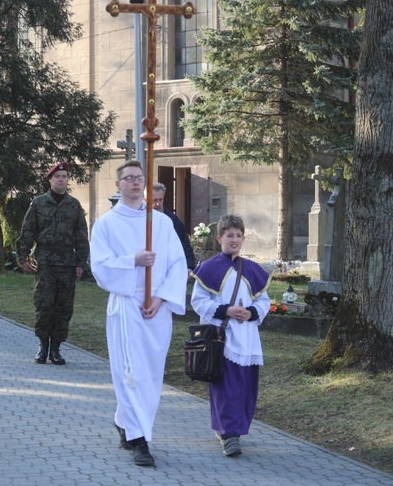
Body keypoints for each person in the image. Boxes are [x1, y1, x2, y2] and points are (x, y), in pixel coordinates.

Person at [90, 160, 187, 467]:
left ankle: (124, 420)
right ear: (117, 185)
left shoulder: (160, 222)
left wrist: (160, 297)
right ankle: (138, 439)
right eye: (128, 178)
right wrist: (133, 260)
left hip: (157, 307)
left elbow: (177, 264)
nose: (134, 182)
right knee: (130, 373)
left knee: (151, 374)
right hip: (127, 305)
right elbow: (100, 267)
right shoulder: (106, 224)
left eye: (139, 178)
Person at [189, 214, 270, 457]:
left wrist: (253, 312)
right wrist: (227, 310)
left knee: (245, 387)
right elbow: (198, 302)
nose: (234, 240)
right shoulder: (209, 268)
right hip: (222, 338)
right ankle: (229, 435)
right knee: (227, 387)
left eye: (238, 235)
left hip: (248, 337)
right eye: (229, 235)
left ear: (244, 238)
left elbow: (264, 300)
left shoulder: (253, 270)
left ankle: (235, 429)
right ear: (219, 238)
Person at [16, 162, 90, 365]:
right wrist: (22, 257)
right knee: (44, 304)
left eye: (64, 176)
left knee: (64, 307)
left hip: (67, 261)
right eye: (57, 176)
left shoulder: (74, 205)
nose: (61, 180)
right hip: (45, 261)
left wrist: (81, 263)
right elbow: (27, 231)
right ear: (49, 179)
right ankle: (43, 346)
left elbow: (81, 236)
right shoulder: (38, 203)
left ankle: (56, 349)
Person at [150, 183, 196, 272]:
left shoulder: (172, 220)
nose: (158, 203)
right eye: (154, 200)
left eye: (161, 199)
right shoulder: (140, 219)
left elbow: (183, 242)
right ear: (146, 200)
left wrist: (189, 266)